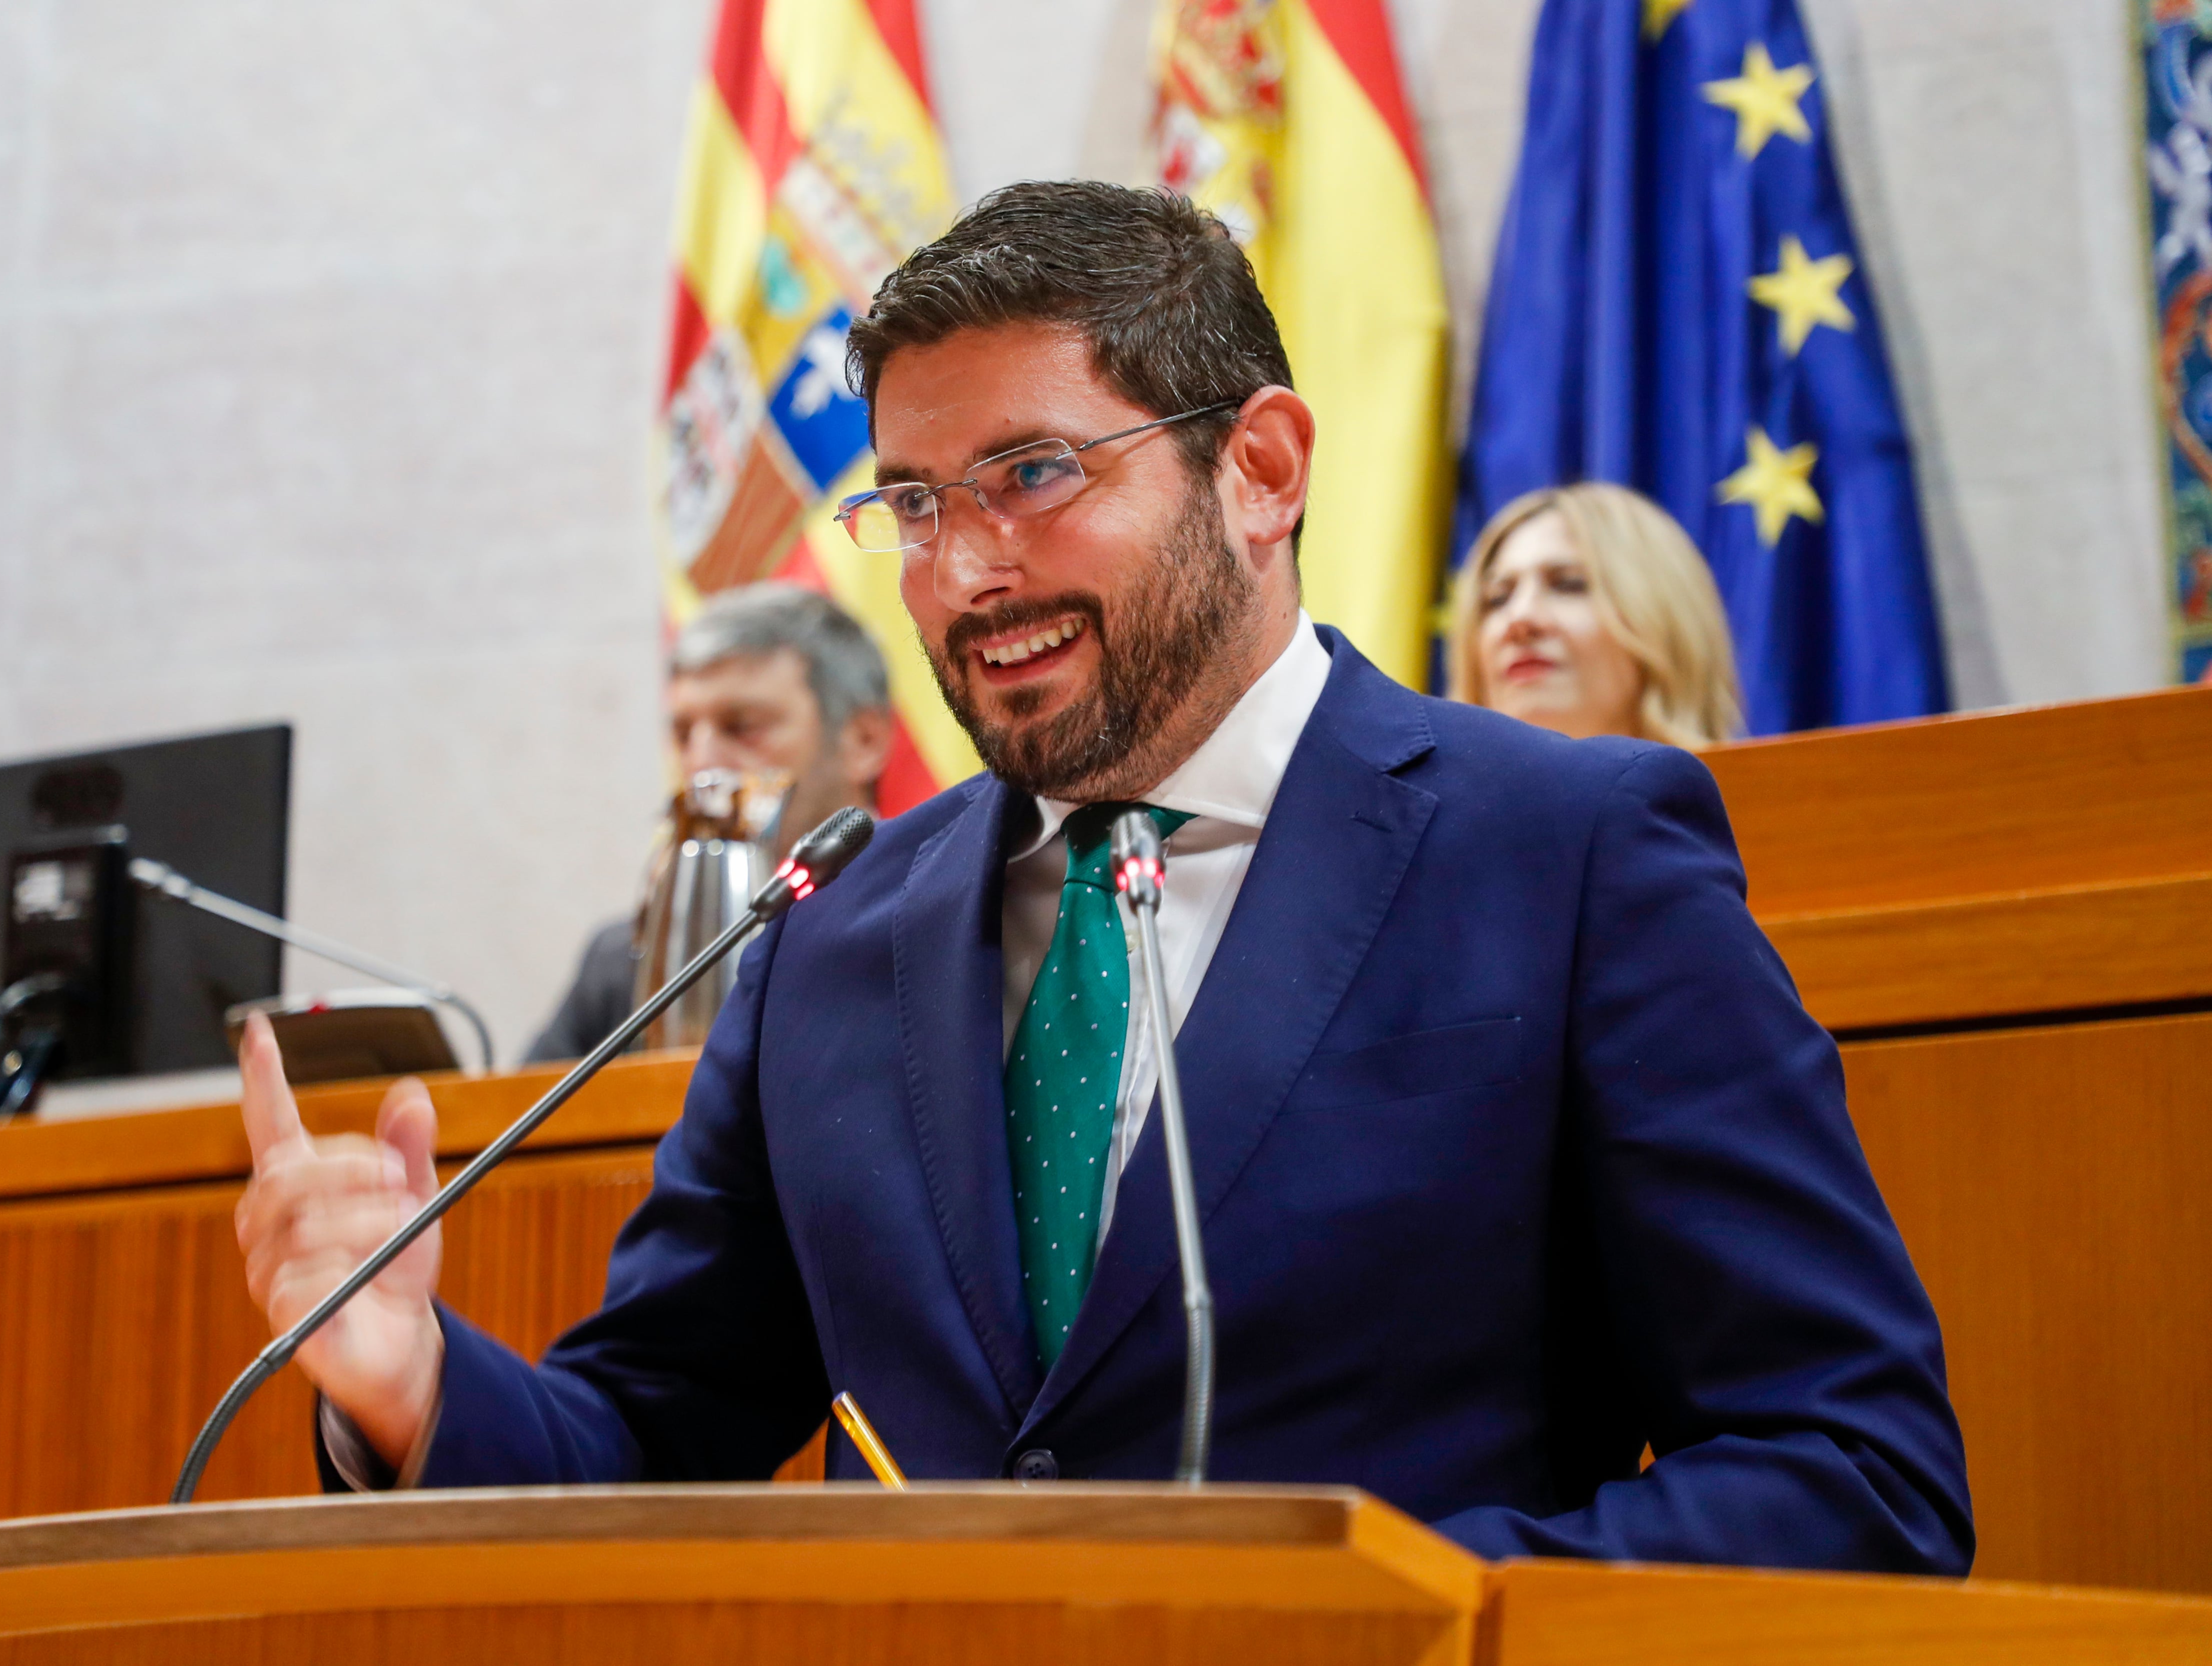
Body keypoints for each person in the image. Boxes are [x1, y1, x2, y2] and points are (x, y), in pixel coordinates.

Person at [234, 181, 1972, 1574]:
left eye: (1034, 475)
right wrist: (417, 1384)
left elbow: (1850, 1472)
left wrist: (1363, 1608)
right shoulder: (832, 942)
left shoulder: (1570, 853)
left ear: (1264, 471)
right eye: (912, 503)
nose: (966, 569)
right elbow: (655, 1434)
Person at [522, 583, 893, 1063]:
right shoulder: (621, 963)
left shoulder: (943, 926)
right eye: (682, 735)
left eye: (743, 726)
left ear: (863, 741)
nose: (702, 763)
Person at [1448, 483, 1744, 746]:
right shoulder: (1417, 808)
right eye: (1497, 599)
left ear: (1668, 621)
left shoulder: (1774, 806)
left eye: (1569, 585)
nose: (1520, 620)